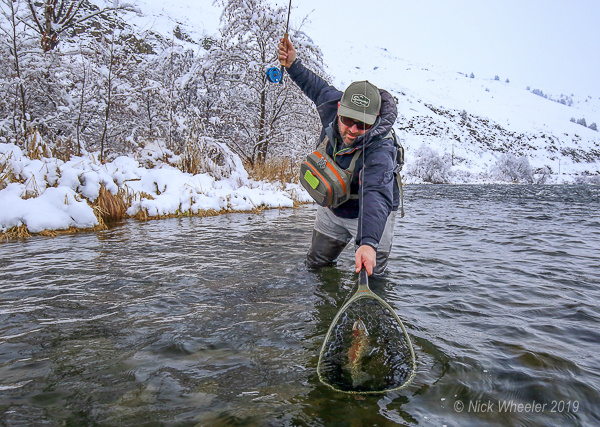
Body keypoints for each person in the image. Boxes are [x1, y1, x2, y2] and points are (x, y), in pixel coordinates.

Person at [278, 37, 401, 276]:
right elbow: (314, 86)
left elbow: (376, 194)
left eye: (362, 124)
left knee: (373, 276)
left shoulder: (381, 150)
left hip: (371, 215)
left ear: (374, 122)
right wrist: (292, 64)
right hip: (333, 208)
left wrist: (367, 242)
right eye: (347, 121)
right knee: (316, 265)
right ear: (339, 110)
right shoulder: (331, 104)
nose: (352, 130)